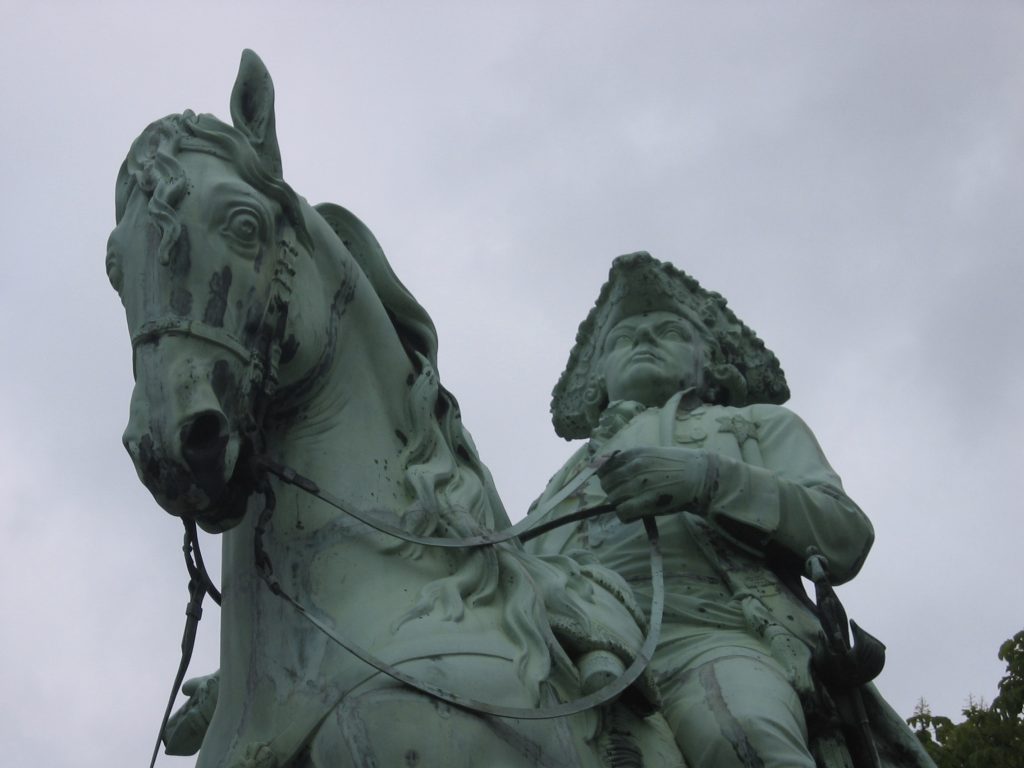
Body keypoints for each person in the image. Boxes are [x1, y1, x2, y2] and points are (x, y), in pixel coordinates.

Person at [525, 252, 934, 768]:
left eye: (669, 331)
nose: (644, 341)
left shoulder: (759, 425)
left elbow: (843, 536)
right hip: (563, 636)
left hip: (711, 635)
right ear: (600, 377)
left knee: (743, 736)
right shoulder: (566, 478)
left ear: (710, 361)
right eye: (623, 339)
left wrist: (708, 480)